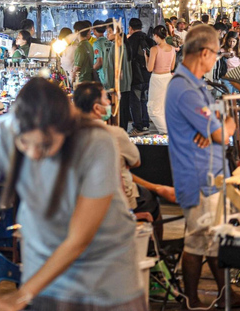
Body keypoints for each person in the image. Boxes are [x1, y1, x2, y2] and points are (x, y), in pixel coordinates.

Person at [0, 78, 148, 311]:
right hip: (43, 285)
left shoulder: (96, 142)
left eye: (45, 145)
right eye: (24, 143)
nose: (32, 153)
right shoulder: (0, 134)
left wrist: (21, 296)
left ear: (65, 129)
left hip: (107, 287)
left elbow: (79, 238)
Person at [165, 25, 240, 311]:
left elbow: (216, 122)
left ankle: (225, 292)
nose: (216, 59)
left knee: (213, 236)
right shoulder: (184, 88)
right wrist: (222, 128)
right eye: (215, 53)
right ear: (205, 53)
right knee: (197, 239)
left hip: (210, 171)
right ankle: (190, 302)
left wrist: (218, 126)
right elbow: (220, 131)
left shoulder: (195, 85)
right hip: (198, 175)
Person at [73, 82, 174, 237]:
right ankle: (156, 250)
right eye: (105, 99)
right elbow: (136, 162)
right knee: (151, 202)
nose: (109, 103)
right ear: (96, 108)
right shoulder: (113, 134)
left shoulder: (69, 136)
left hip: (80, 202)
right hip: (119, 201)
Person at [102, 21, 133, 132]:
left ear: (117, 33)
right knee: (123, 112)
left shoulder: (116, 47)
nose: (107, 34)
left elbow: (111, 69)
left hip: (116, 87)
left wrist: (108, 87)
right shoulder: (124, 45)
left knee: (118, 114)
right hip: (125, 85)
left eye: (109, 32)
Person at [145, 25, 176, 134]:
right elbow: (172, 67)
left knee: (153, 109)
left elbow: (149, 68)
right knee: (164, 108)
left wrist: (146, 58)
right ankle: (169, 130)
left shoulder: (154, 49)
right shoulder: (172, 49)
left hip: (157, 79)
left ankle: (165, 132)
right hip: (168, 78)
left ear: (156, 36)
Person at [127, 18, 155, 136]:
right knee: (144, 100)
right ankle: (145, 125)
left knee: (135, 101)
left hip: (135, 76)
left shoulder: (130, 41)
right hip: (148, 75)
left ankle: (138, 127)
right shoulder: (149, 40)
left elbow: (128, 59)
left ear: (130, 28)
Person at [91, 20, 108, 86]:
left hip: (102, 76)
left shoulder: (97, 43)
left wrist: (91, 70)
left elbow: (99, 62)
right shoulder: (109, 42)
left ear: (94, 30)